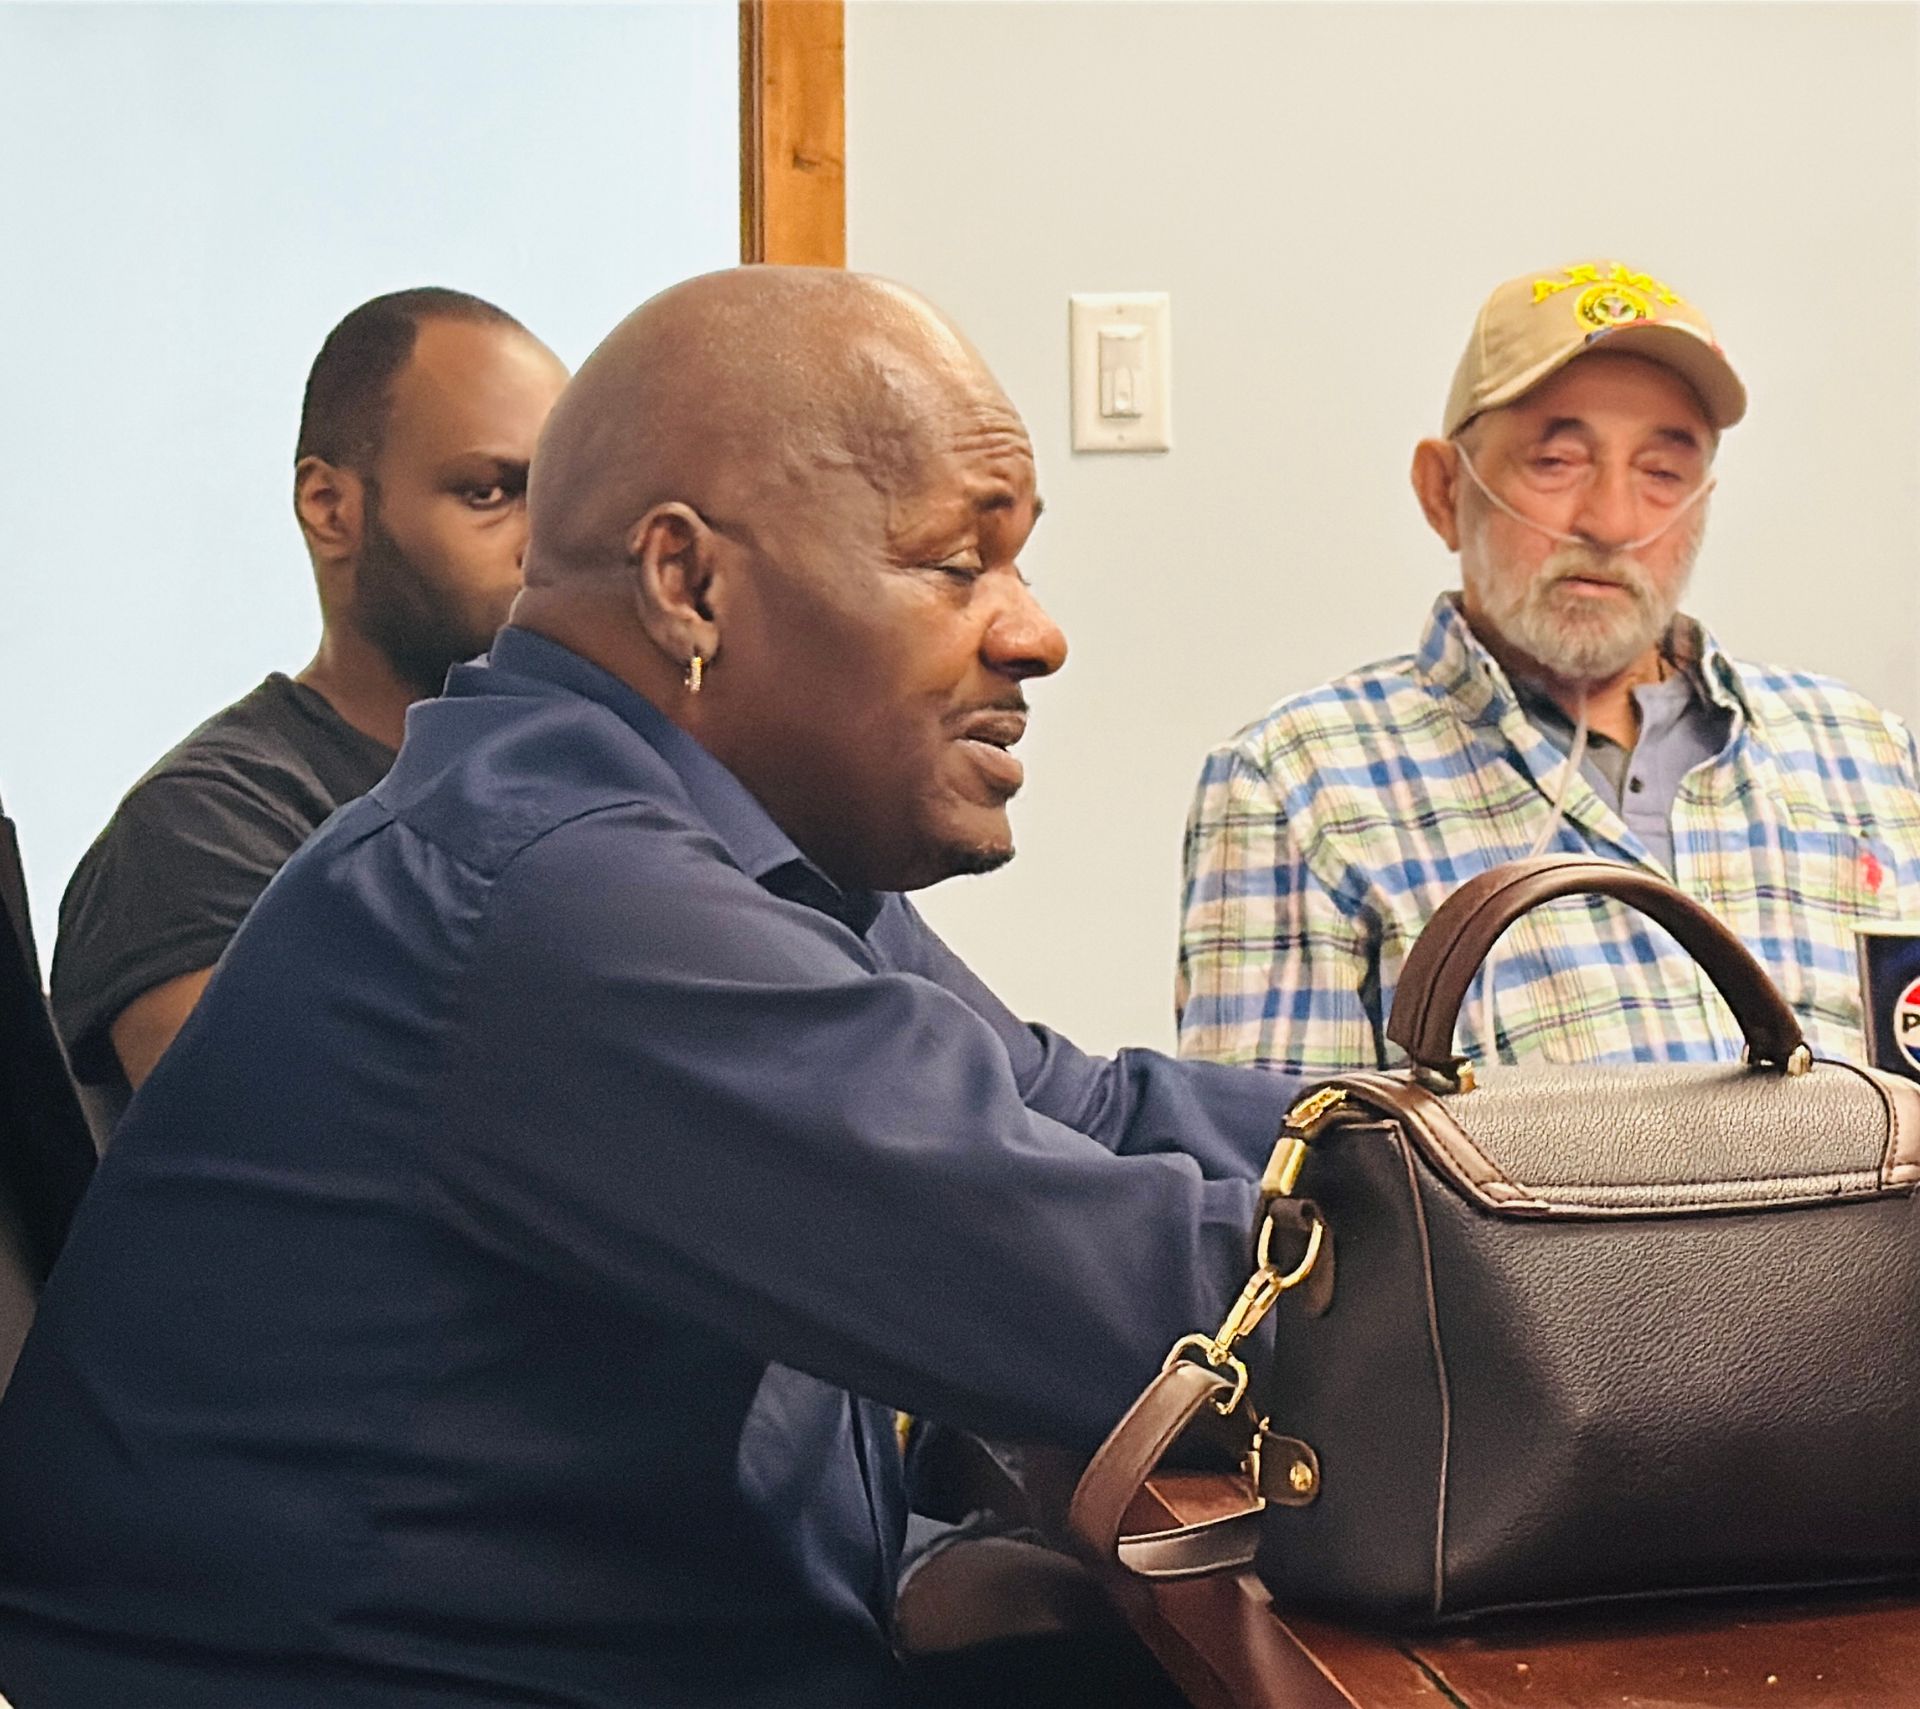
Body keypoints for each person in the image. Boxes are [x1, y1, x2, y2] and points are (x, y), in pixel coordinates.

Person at [0, 268, 1298, 1709]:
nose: (1032, 630)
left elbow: (1085, 1109)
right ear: (687, 585)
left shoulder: (717, 841)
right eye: (955, 563)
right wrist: (1536, 1259)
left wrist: (1484, 1138)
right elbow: (1140, 1292)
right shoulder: (561, 895)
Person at [1178, 258, 1920, 1079]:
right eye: (1557, 462)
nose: (1610, 522)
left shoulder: (1866, 759)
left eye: (1662, 473)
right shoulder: (1303, 785)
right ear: (1441, 490)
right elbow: (1284, 1164)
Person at [50, 287, 569, 1133]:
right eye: (488, 493)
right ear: (331, 508)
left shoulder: (595, 785)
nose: (541, 544)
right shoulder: (209, 823)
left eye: (561, 499)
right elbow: (299, 1163)